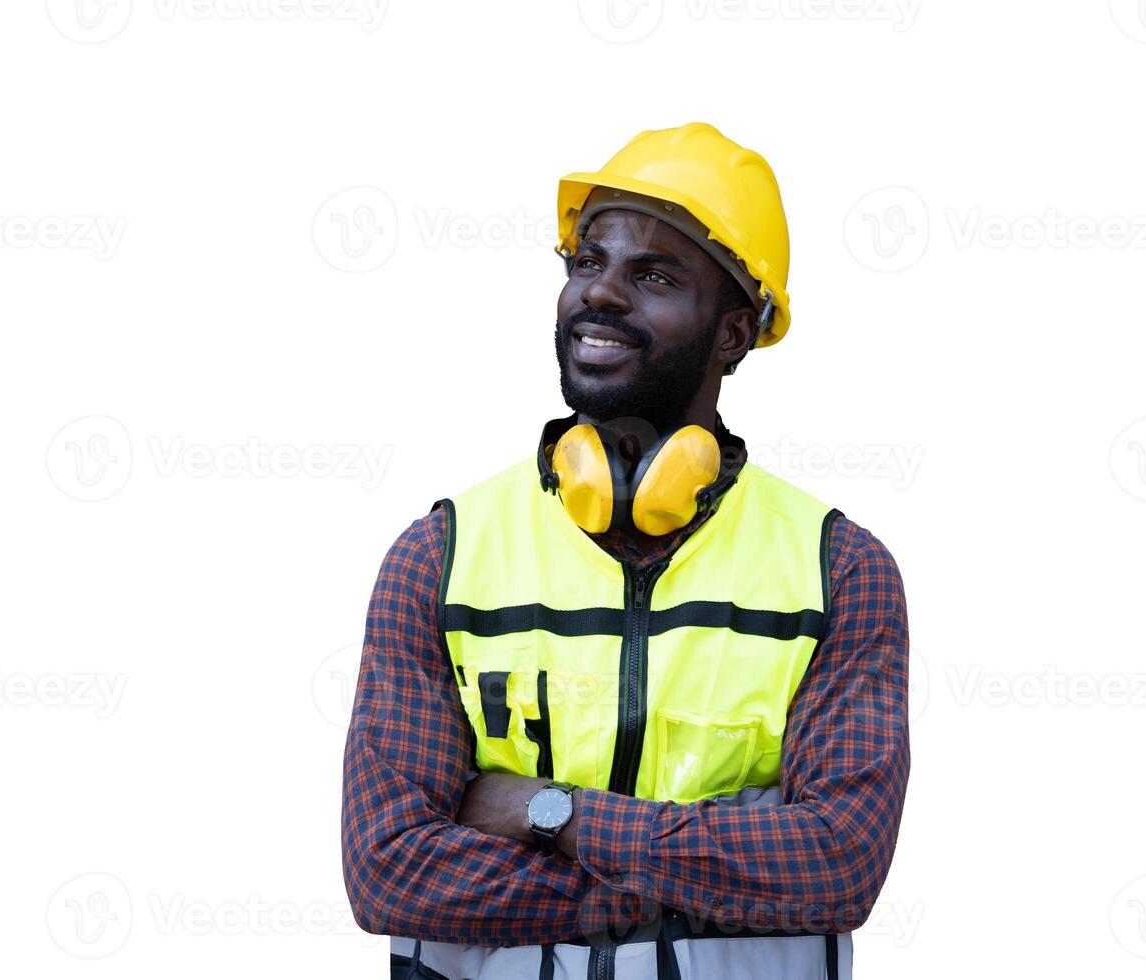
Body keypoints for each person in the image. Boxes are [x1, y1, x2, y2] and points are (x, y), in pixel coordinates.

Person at [341, 122, 911, 980]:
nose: (598, 294)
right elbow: (390, 870)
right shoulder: (441, 556)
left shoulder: (839, 572)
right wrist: (691, 882)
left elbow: (835, 864)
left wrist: (547, 814)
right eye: (585, 263)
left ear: (732, 333)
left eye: (652, 275)